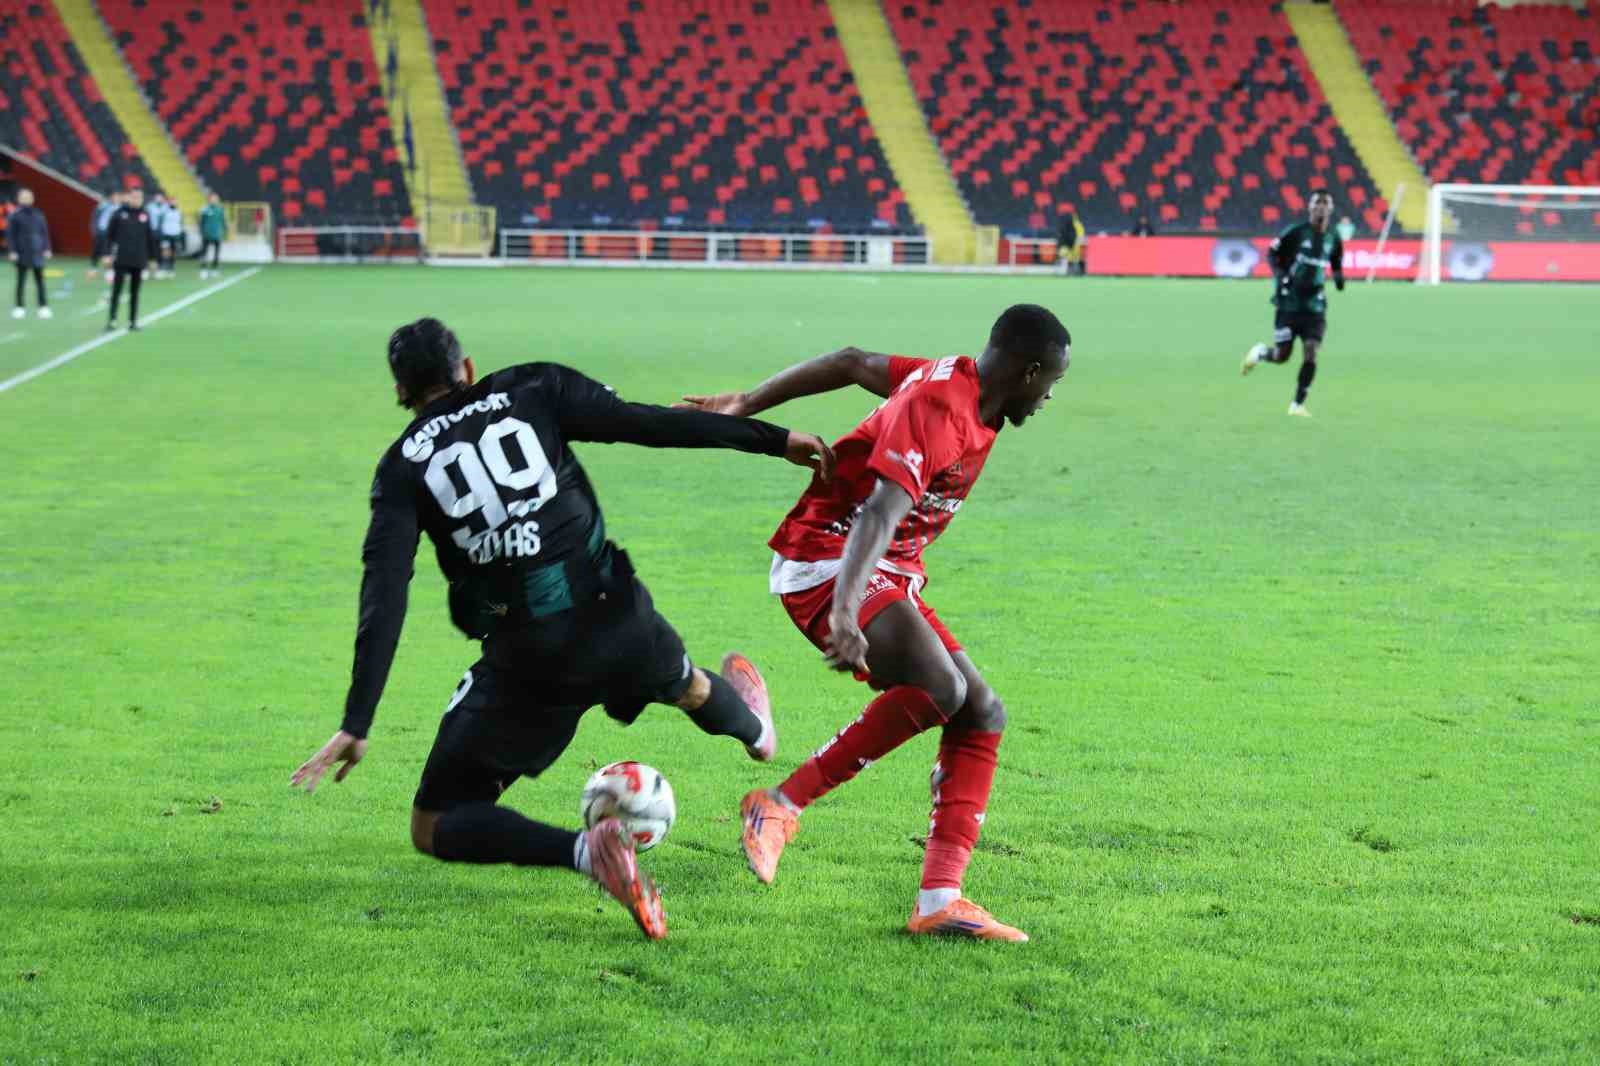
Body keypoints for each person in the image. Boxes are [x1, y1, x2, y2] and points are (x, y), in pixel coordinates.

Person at [290, 317, 838, 941]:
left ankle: (585, 853)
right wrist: (774, 439)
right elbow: (649, 425)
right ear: (466, 368)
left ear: (400, 394)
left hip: (529, 659)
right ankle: (757, 731)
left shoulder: (401, 467)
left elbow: (384, 592)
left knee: (435, 823)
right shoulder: (532, 387)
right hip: (619, 616)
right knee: (684, 683)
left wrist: (357, 721)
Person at [676, 304, 1070, 942]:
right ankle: (778, 805)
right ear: (1027, 371)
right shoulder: (940, 407)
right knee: (943, 689)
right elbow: (879, 512)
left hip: (886, 568)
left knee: (982, 712)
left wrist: (746, 401)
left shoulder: (968, 390)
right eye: (1050, 381)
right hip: (829, 557)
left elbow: (851, 362)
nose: (1050, 395)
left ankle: (940, 899)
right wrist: (843, 605)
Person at [1240, 189, 1345, 416]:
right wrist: (1281, 275)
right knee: (1282, 356)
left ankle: (1297, 404)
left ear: (1331, 209)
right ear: (1309, 207)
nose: (1321, 207)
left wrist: (1338, 277)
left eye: (1325, 203)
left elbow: (1336, 261)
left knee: (1311, 352)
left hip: (1315, 307)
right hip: (1289, 303)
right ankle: (1260, 353)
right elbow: (1271, 253)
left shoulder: (1333, 238)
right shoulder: (1297, 232)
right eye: (1317, 202)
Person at [103, 188, 157, 331]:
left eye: (139, 197)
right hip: (121, 258)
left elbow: (150, 238)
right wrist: (107, 254)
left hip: (138, 259)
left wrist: (152, 258)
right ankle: (112, 320)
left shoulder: (145, 215)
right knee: (117, 290)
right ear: (128, 197)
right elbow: (109, 236)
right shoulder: (119, 214)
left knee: (135, 292)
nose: (136, 200)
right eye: (134, 197)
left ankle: (132, 321)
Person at [6, 188, 52, 320]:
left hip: (37, 252)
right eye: (24, 197)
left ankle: (43, 307)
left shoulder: (38, 214)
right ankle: (19, 307)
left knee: (40, 281)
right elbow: (10, 235)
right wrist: (13, 251)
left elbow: (44, 232)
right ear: (19, 199)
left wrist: (47, 248)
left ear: (32, 199)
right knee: (21, 281)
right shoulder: (15, 215)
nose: (26, 199)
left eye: (28, 197)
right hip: (21, 252)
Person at [89, 191, 120, 281]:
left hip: (111, 233)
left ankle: (109, 272)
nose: (116, 198)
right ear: (111, 197)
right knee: (96, 251)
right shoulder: (103, 206)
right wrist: (94, 230)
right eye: (114, 196)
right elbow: (95, 218)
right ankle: (93, 268)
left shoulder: (119, 208)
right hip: (101, 231)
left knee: (109, 252)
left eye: (117, 196)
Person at [198, 193, 226, 278]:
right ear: (209, 199)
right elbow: (201, 222)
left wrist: (224, 231)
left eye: (215, 199)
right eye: (212, 198)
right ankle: (203, 270)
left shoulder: (220, 210)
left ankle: (215, 269)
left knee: (216, 253)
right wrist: (202, 231)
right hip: (206, 235)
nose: (214, 200)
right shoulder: (204, 209)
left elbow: (223, 221)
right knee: (204, 253)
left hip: (217, 234)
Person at [159, 197, 183, 277]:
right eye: (172, 201)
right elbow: (161, 221)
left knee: (173, 251)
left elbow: (180, 222)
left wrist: (179, 232)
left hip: (175, 233)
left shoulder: (178, 211)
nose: (173, 203)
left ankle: (171, 267)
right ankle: (163, 266)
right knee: (165, 250)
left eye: (174, 201)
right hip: (166, 233)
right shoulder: (164, 210)